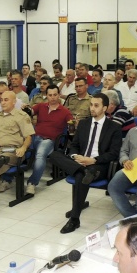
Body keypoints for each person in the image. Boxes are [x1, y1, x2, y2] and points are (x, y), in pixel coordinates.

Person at [47, 93, 122, 233]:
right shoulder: (83, 124)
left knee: (82, 177)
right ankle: (82, 170)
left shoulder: (114, 127)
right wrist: (77, 156)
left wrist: (93, 160)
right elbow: (74, 145)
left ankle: (74, 219)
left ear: (105, 108)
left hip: (98, 165)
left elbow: (113, 153)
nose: (92, 108)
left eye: (96, 105)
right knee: (54, 154)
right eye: (91, 104)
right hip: (80, 161)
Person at [26, 84, 73, 196]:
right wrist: (25, 109)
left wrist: (74, 124)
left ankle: (32, 183)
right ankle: (7, 178)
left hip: (49, 141)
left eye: (55, 95)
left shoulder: (65, 111)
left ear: (59, 95)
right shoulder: (41, 106)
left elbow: (72, 126)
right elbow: (29, 113)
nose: (52, 97)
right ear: (46, 95)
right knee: (16, 146)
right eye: (50, 95)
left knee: (40, 154)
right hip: (34, 137)